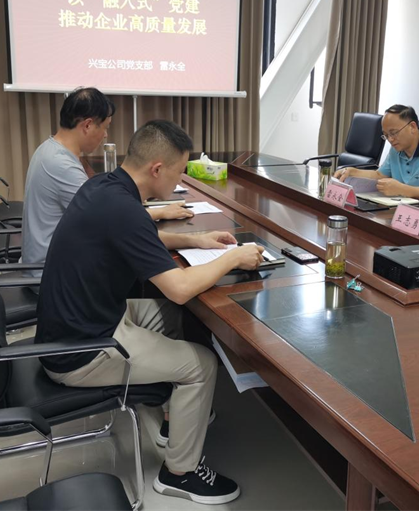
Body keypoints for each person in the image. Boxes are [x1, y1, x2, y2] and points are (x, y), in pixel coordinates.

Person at [35, 119, 265, 504]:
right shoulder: (123, 207)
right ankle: (180, 473)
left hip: (80, 321)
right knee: (202, 364)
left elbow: (140, 235)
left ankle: (174, 422)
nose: (180, 180)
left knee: (167, 315)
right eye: (179, 171)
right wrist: (233, 257)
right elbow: (180, 289)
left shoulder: (106, 187)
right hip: (81, 351)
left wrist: (197, 240)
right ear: (157, 169)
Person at [21, 87, 193, 272]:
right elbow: (109, 218)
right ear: (87, 125)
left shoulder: (49, 149)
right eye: (105, 127)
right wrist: (160, 213)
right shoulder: (62, 165)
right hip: (50, 270)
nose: (105, 135)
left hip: (50, 258)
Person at [334, 105, 419, 205]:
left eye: (394, 133)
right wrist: (353, 172)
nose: (390, 139)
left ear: (412, 127)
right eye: (386, 135)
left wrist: (401, 189)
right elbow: (380, 175)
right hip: (409, 207)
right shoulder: (397, 148)